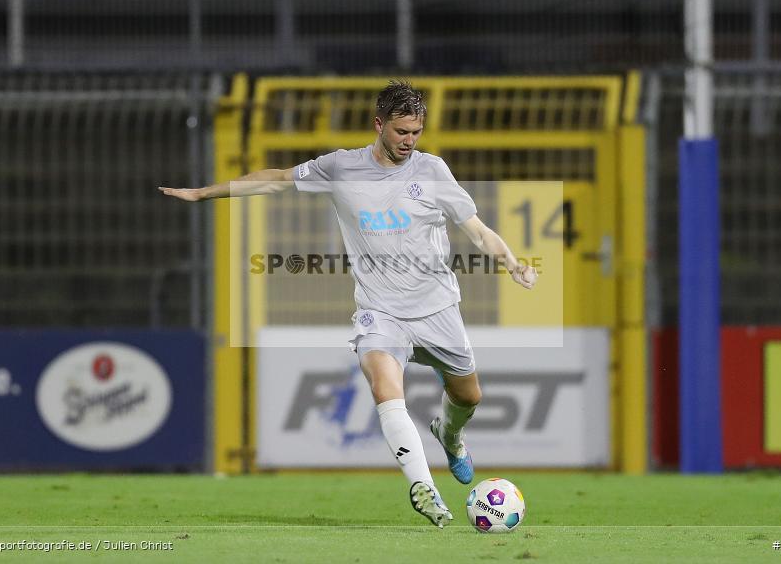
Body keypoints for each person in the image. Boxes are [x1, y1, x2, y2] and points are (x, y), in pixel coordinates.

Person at [159, 81, 538, 528]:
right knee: (383, 385)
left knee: (468, 396)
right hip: (380, 311)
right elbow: (277, 180)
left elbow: (476, 229)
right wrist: (206, 193)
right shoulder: (341, 167)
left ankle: (450, 436)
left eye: (416, 132)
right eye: (401, 131)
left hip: (437, 309)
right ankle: (424, 488)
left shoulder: (432, 171)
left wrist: (511, 262)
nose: (409, 141)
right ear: (379, 125)